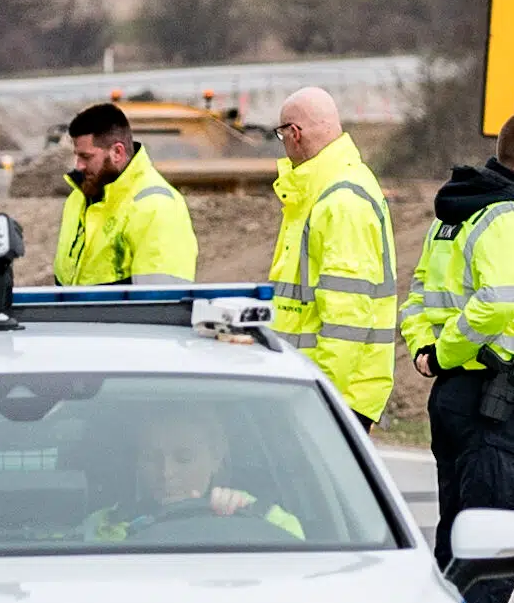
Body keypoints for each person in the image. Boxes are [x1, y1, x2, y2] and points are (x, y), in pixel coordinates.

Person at [418, 110, 514, 603]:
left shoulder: (452, 216)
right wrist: (448, 352)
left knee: (456, 546)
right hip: (492, 403)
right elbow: (499, 303)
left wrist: (428, 352)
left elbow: (417, 295)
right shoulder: (511, 219)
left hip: (453, 398)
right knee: (493, 548)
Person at [265, 84, 400, 418]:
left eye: (282, 136)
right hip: (313, 386)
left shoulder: (340, 201)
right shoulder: (320, 191)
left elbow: (346, 319)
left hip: (333, 396)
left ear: (294, 133)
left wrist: (320, 395)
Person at [87, 406, 305, 542]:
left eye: (184, 459)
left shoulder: (267, 520)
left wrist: (240, 522)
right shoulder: (104, 524)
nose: (166, 473)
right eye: (151, 458)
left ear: (216, 458)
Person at [54, 99, 198, 287]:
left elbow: (161, 304)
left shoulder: (156, 207)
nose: (78, 165)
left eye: (86, 157)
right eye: (77, 155)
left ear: (117, 152)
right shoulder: (78, 199)